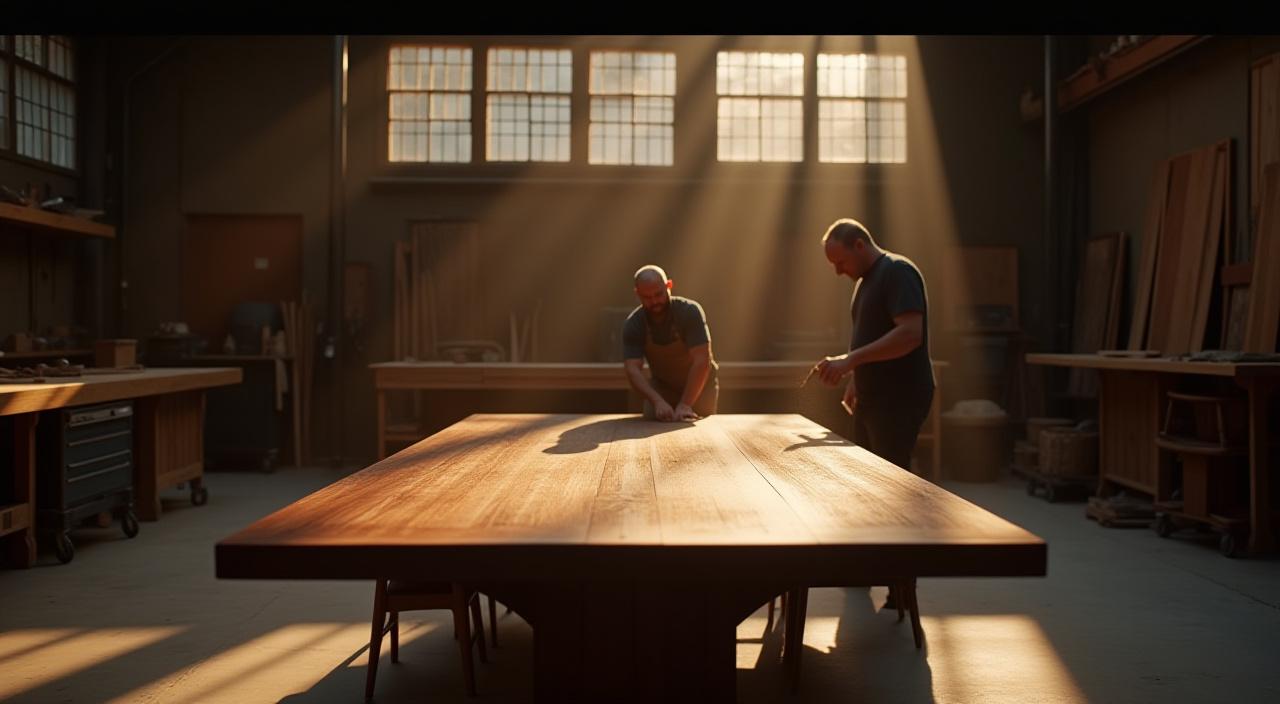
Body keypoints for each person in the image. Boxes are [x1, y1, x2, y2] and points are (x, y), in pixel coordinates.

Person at [814, 218, 934, 609]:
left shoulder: (896, 272)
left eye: (840, 261)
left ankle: (902, 586)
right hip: (873, 398)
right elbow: (870, 338)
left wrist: (849, 362)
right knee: (866, 487)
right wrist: (856, 380)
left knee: (893, 492)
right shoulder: (866, 283)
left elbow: (909, 334)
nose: (837, 270)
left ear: (860, 244)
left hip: (899, 399)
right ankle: (868, 569)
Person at [621, 265, 718, 421]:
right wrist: (657, 401)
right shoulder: (634, 323)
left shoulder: (690, 312)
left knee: (701, 428)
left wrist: (686, 403)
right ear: (637, 293)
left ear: (669, 285)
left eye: (659, 294)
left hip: (700, 386)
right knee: (652, 423)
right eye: (647, 297)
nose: (654, 301)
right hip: (662, 387)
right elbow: (632, 369)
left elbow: (702, 360)